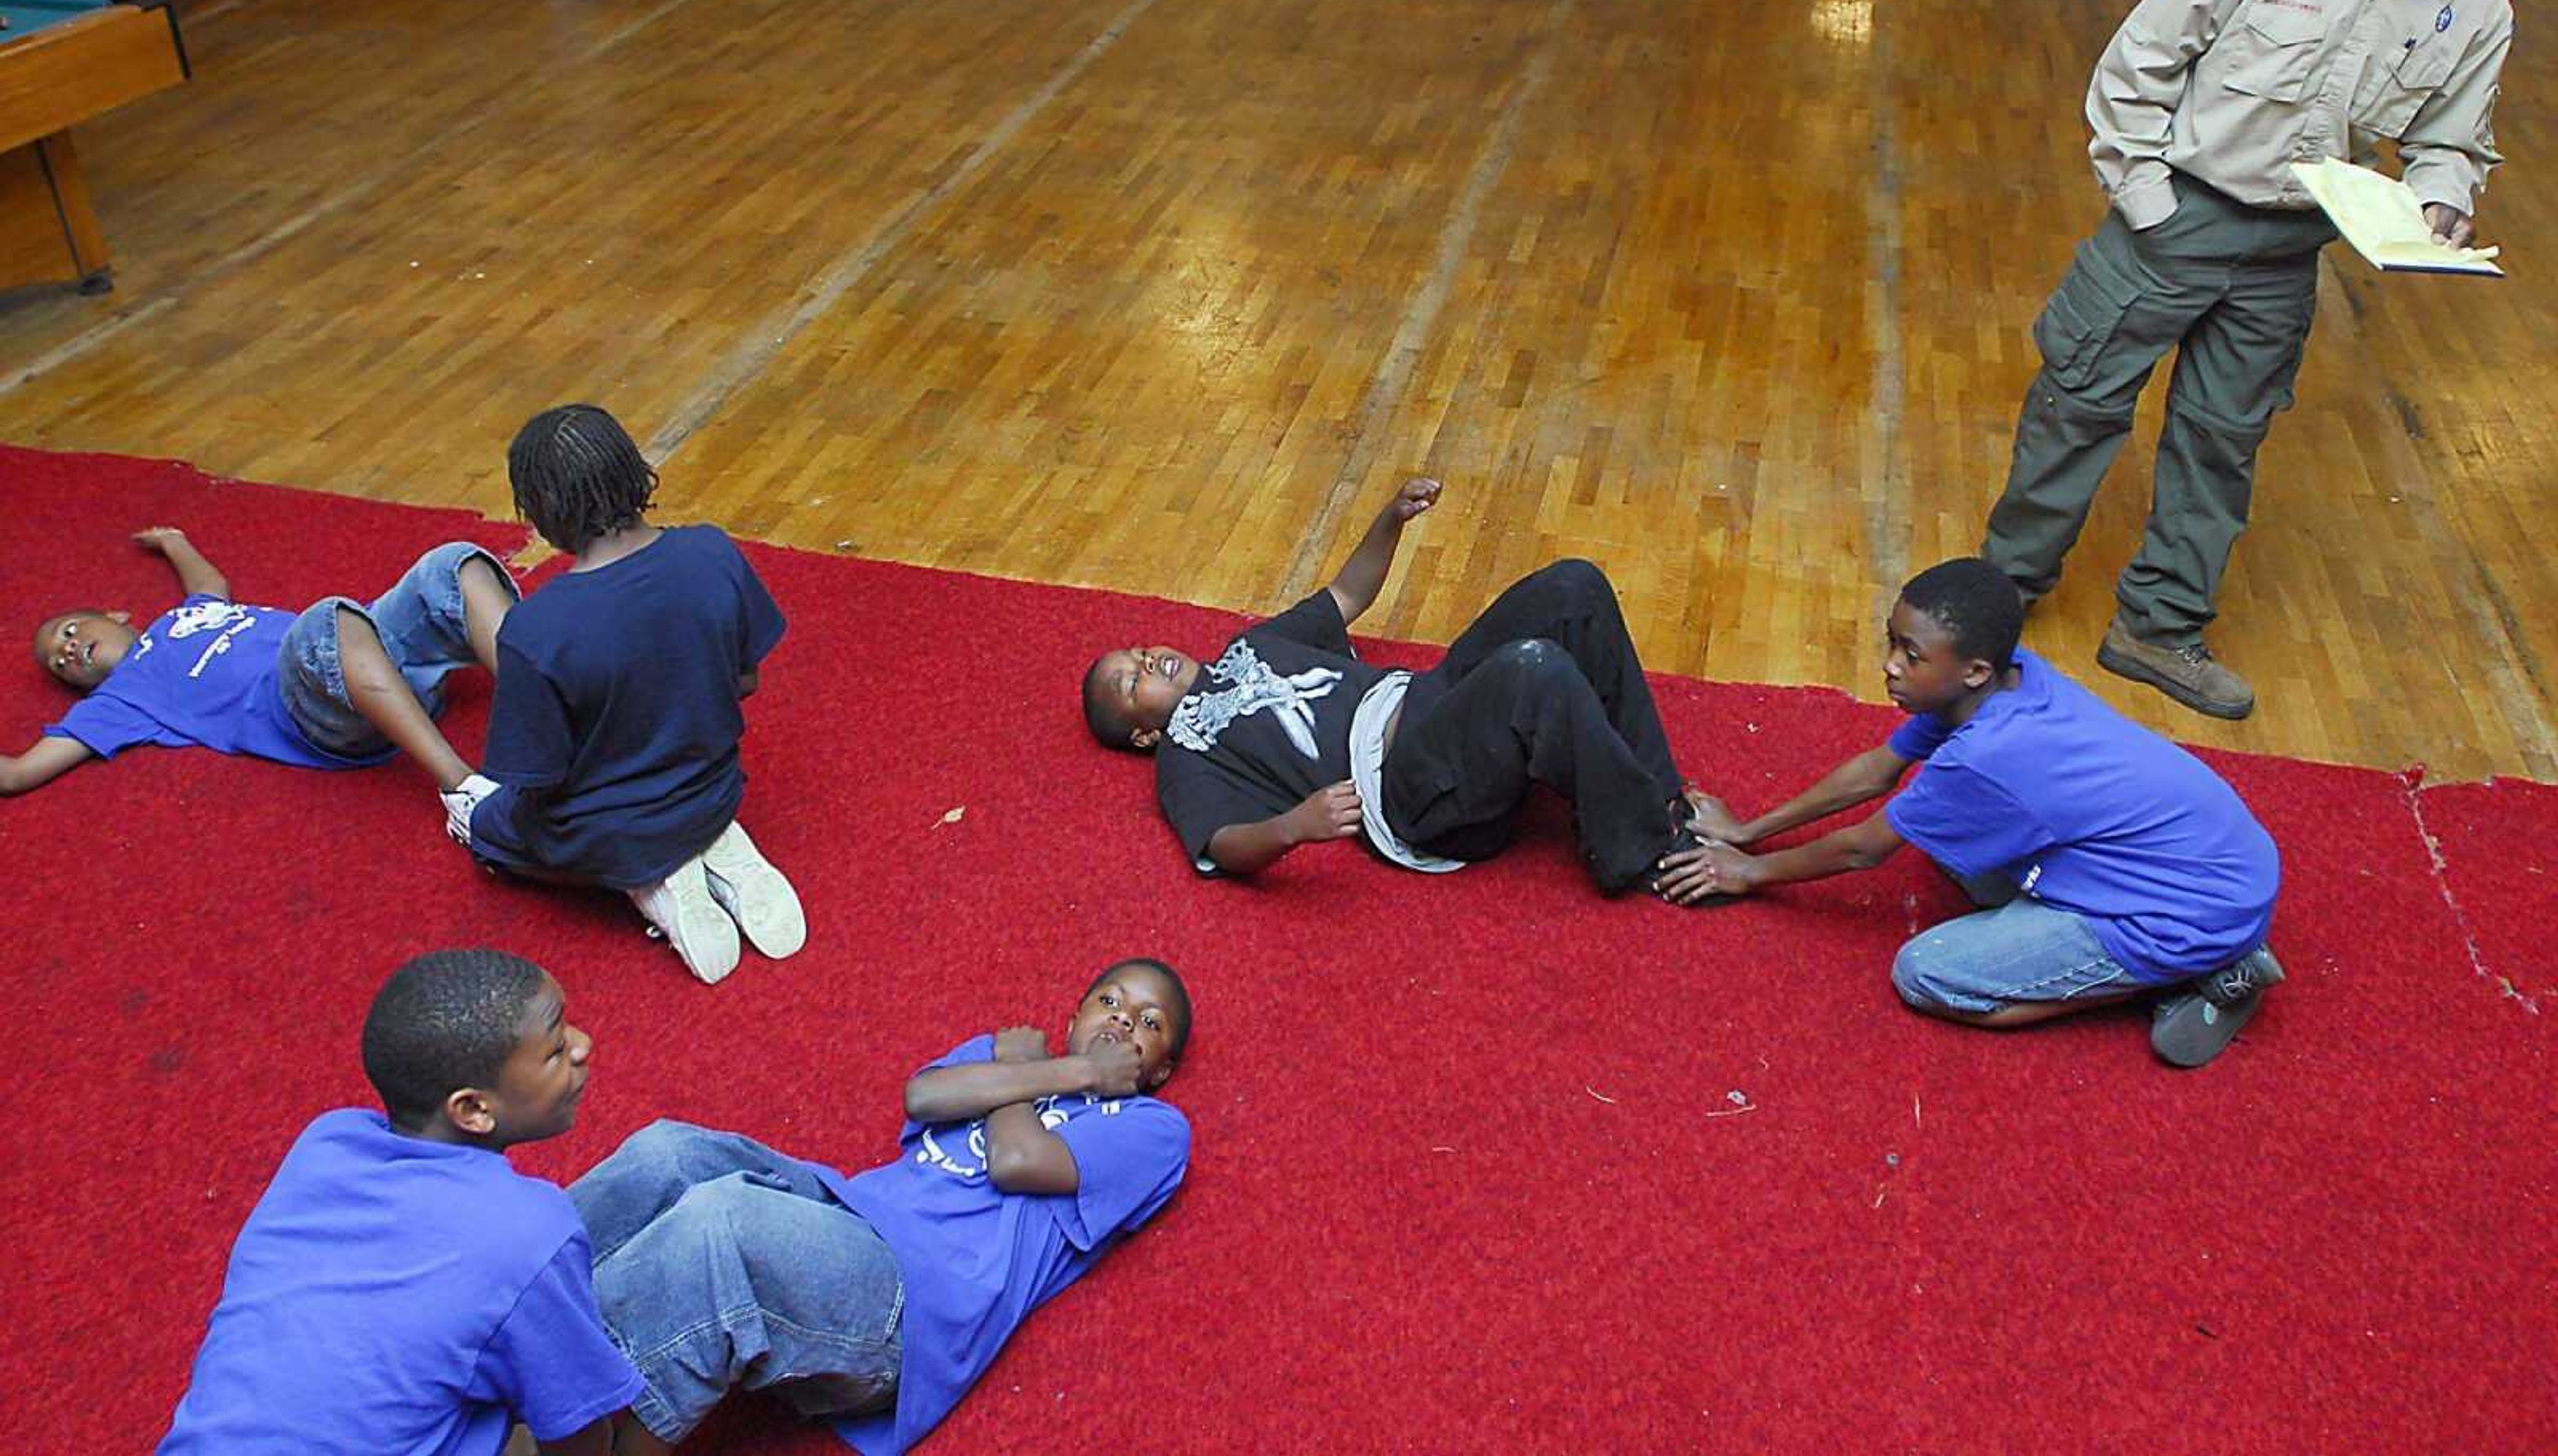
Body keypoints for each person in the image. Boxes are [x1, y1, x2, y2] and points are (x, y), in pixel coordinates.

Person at [1980, 0, 2516, 720]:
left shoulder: (2477, 2)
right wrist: (2149, 203)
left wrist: (2440, 198)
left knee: (2222, 443)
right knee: (2078, 404)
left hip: (2289, 249)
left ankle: (2158, 626)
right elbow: (2139, 63)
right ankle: (2000, 596)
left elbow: (2448, 139)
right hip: (2175, 217)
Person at [1656, 558, 2284, 1068]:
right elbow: (1878, 770)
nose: (1890, 666)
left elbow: (1863, 849)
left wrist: (1746, 873)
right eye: (1892, 643)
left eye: (1911, 655)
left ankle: (2198, 972)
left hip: (2191, 910)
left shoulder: (1985, 756)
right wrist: (1749, 830)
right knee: (1948, 841)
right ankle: (2183, 954)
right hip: (2212, 862)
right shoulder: (2007, 678)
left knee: (1928, 975)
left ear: (1975, 670)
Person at [567, 958, 1193, 1453]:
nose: (1122, 1022)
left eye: (1149, 1023)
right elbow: (922, 1098)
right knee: (668, 1153)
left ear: (1163, 1068)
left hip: (911, 1307)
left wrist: (1054, 1075)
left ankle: (567, 1415)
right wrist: (1060, 1072)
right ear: (1074, 1015)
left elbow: (1018, 1163)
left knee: (721, 1225)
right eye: (1110, 1001)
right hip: (848, 1214)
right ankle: (521, 1314)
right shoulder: (1007, 1055)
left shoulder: (1153, 1129)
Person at [1080, 477, 1699, 893]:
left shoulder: (1248, 646)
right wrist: (1293, 827)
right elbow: (1223, 842)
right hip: (1408, 789)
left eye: (1139, 652)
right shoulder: (1186, 753)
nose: (1147, 661)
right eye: (1131, 682)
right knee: (1534, 669)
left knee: (1575, 587)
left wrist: (1390, 519)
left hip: (1426, 699)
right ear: (1142, 735)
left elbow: (1347, 595)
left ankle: (1663, 799)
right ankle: (1646, 852)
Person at [159, 950, 641, 1453]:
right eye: (556, 1048)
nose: (583, 1046)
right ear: (474, 1108)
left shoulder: (327, 1141)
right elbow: (575, 1427)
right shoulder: (530, 1229)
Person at [464, 404, 801, 986]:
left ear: (542, 511)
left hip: (610, 834)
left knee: (487, 828)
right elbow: (745, 681)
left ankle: (653, 883)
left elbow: (537, 774)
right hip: (713, 790)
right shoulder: (713, 552)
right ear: (635, 473)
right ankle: (711, 846)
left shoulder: (536, 628)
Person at [6, 526, 514, 841]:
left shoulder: (185, 617)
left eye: (69, 632)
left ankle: (552, 709)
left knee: (451, 564)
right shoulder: (119, 700)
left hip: (372, 661)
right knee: (325, 624)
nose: (67, 650)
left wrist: (174, 542)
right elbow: (18, 774)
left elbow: (209, 587)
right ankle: (464, 790)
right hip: (312, 707)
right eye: (59, 662)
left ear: (113, 615)